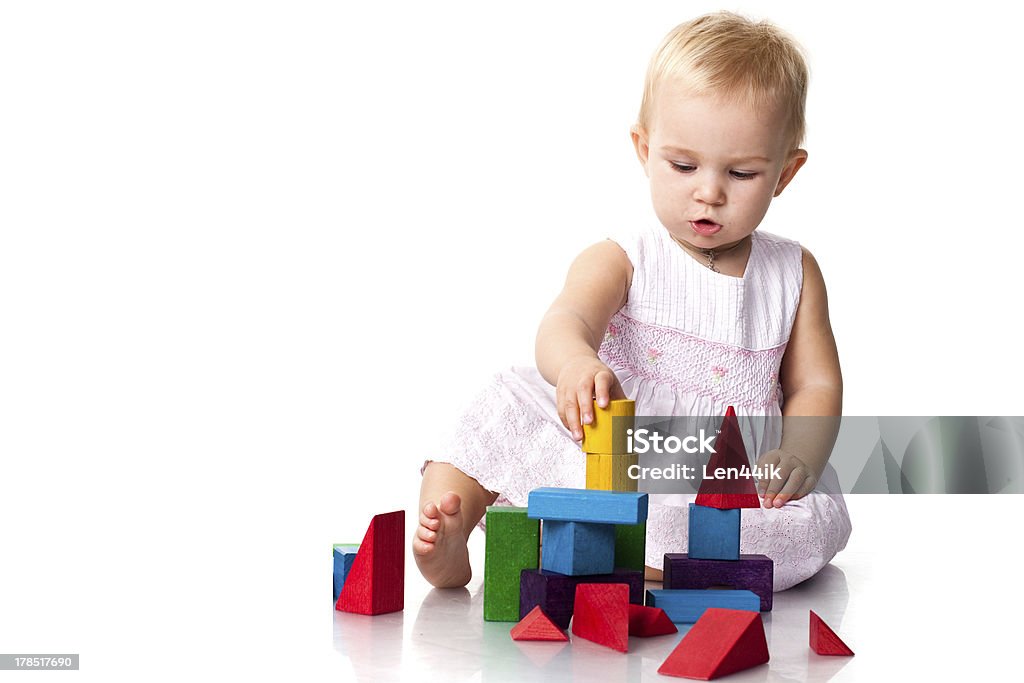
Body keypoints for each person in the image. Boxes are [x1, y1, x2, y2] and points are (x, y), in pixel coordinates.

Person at [413, 11, 852, 591]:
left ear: (785, 174)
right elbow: (565, 320)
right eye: (683, 165)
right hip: (613, 449)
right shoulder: (623, 257)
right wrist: (576, 363)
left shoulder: (793, 272)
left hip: (721, 474)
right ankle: (455, 524)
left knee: (790, 529)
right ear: (644, 149)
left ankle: (607, 556)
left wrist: (800, 450)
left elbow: (814, 384)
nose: (709, 192)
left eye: (742, 172)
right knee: (503, 407)